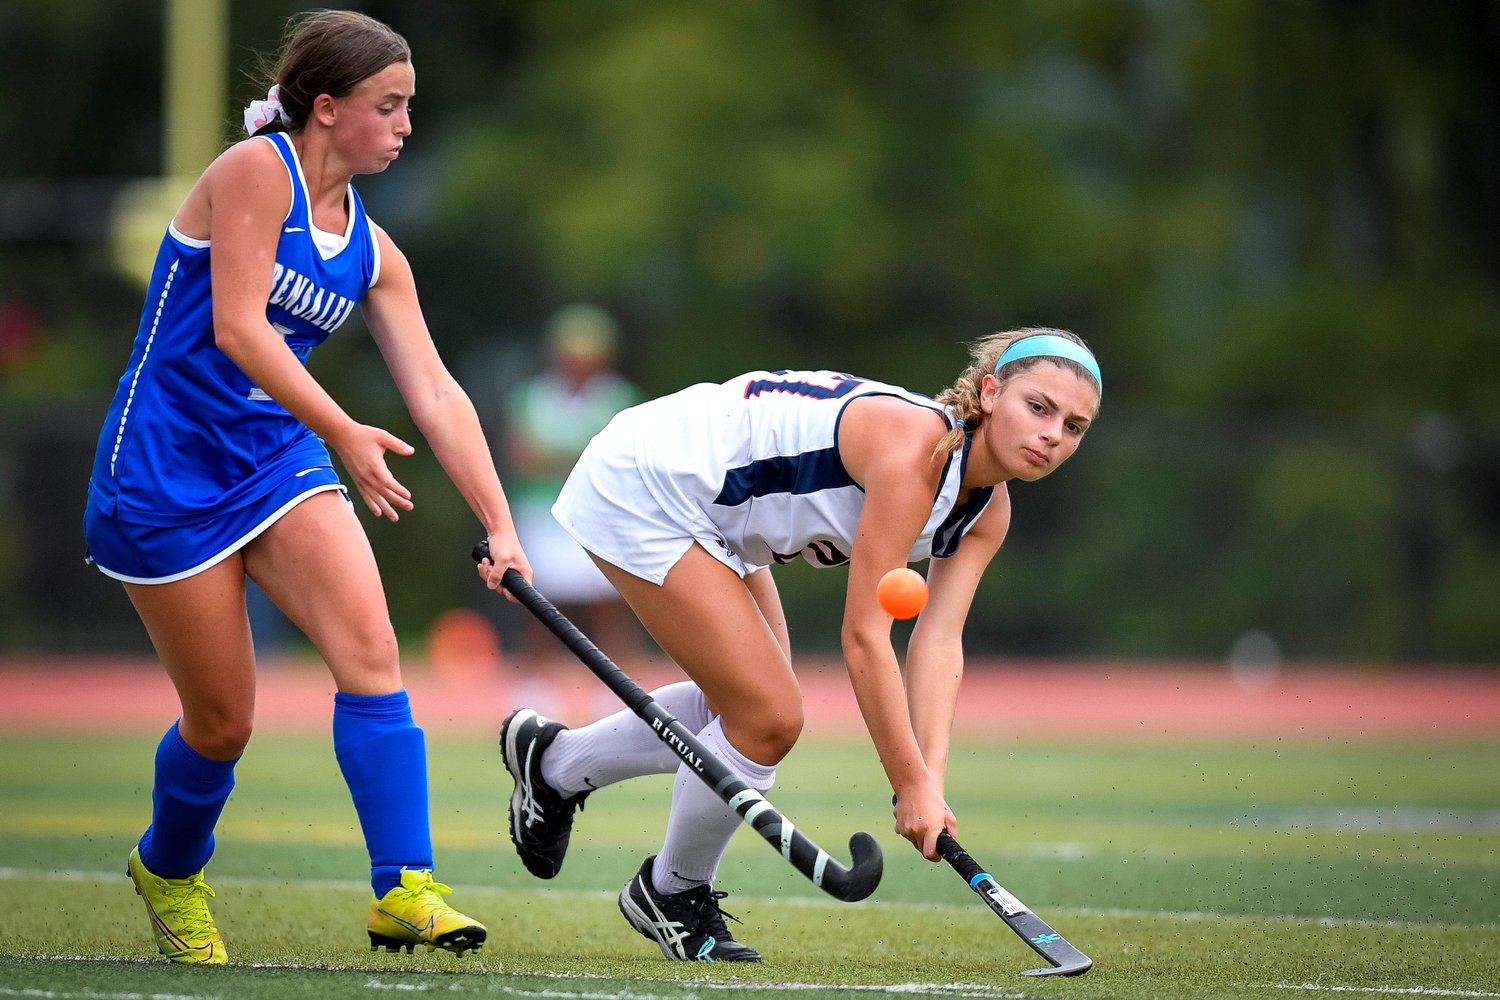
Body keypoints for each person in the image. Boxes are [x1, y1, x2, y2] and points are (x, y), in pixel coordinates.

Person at [81, 10, 530, 965]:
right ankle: (168, 868)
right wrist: (345, 431)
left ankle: (403, 890)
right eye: (389, 105)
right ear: (325, 108)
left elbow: (440, 393)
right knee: (223, 722)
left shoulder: (374, 249)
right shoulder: (253, 174)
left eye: (409, 106)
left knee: (372, 650)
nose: (406, 125)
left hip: (275, 460)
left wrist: (501, 523)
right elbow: (241, 327)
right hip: (165, 470)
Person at [486, 328, 1102, 962]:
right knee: (768, 717)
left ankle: (553, 763)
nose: (1054, 434)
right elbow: (865, 637)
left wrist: (930, 779)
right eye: (1040, 408)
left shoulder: (987, 512)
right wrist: (906, 781)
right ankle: (671, 892)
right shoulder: (917, 457)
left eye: (1075, 426)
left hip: (720, 514)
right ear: (992, 393)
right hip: (655, 480)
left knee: (751, 709)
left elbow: (939, 640)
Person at [503, 305, 642, 669]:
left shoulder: (618, 397)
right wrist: (582, 453)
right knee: (541, 606)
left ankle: (621, 690)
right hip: (543, 515)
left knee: (610, 605)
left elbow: (624, 461)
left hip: (599, 514)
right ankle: (535, 689)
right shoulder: (533, 397)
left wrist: (555, 456)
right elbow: (523, 458)